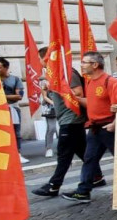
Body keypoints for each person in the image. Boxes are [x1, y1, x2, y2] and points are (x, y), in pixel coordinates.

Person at [61, 53, 115, 203]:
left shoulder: (110, 82)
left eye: (84, 62)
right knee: (89, 159)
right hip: (94, 128)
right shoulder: (90, 82)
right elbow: (91, 102)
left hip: (109, 127)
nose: (82, 65)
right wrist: (74, 98)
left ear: (95, 65)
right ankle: (83, 191)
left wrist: (115, 124)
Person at [33, 65, 93, 198]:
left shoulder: (67, 72)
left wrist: (54, 87)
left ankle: (54, 185)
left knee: (64, 156)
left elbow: (77, 93)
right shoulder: (58, 73)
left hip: (71, 119)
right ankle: (97, 176)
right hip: (69, 120)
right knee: (84, 153)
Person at [0, 57, 29, 165]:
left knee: (16, 132)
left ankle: (17, 153)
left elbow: (19, 96)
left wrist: (2, 96)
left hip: (13, 108)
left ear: (6, 68)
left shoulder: (14, 79)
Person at [37, 46, 58, 157]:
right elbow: (44, 96)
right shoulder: (43, 79)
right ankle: (48, 148)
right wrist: (53, 103)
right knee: (52, 128)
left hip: (61, 104)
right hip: (51, 106)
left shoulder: (58, 74)